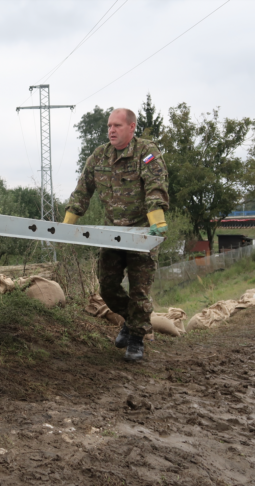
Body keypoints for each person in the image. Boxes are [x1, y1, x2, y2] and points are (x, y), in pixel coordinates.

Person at [63, 108, 169, 362]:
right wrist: (67, 224)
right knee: (107, 287)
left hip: (144, 233)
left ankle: (136, 339)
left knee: (139, 292)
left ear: (131, 128)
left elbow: (156, 185)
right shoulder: (99, 156)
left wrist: (157, 219)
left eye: (117, 126)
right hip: (111, 233)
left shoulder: (146, 153)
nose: (111, 130)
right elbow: (82, 191)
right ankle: (133, 322)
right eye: (109, 126)